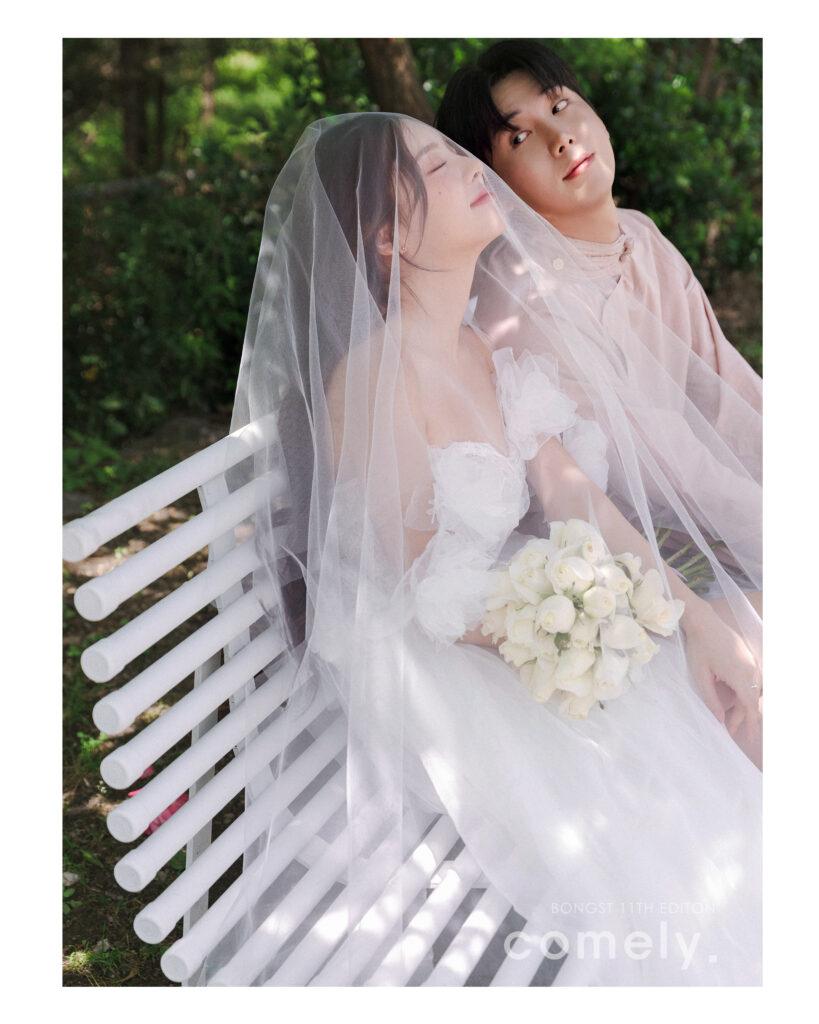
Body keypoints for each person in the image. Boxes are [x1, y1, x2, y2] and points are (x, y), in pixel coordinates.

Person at [195, 113, 761, 986]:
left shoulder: (475, 344)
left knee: (738, 659)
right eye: (436, 165)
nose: (471, 168)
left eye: (458, 153)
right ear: (389, 239)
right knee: (679, 760)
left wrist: (683, 620)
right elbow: (428, 590)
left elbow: (575, 498)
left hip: (528, 618)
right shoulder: (371, 383)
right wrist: (579, 628)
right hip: (441, 655)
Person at [435, 39, 763, 423]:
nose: (561, 138)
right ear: (495, 187)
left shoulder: (639, 232)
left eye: (559, 106)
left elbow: (727, 391)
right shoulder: (525, 299)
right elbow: (656, 453)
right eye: (519, 138)